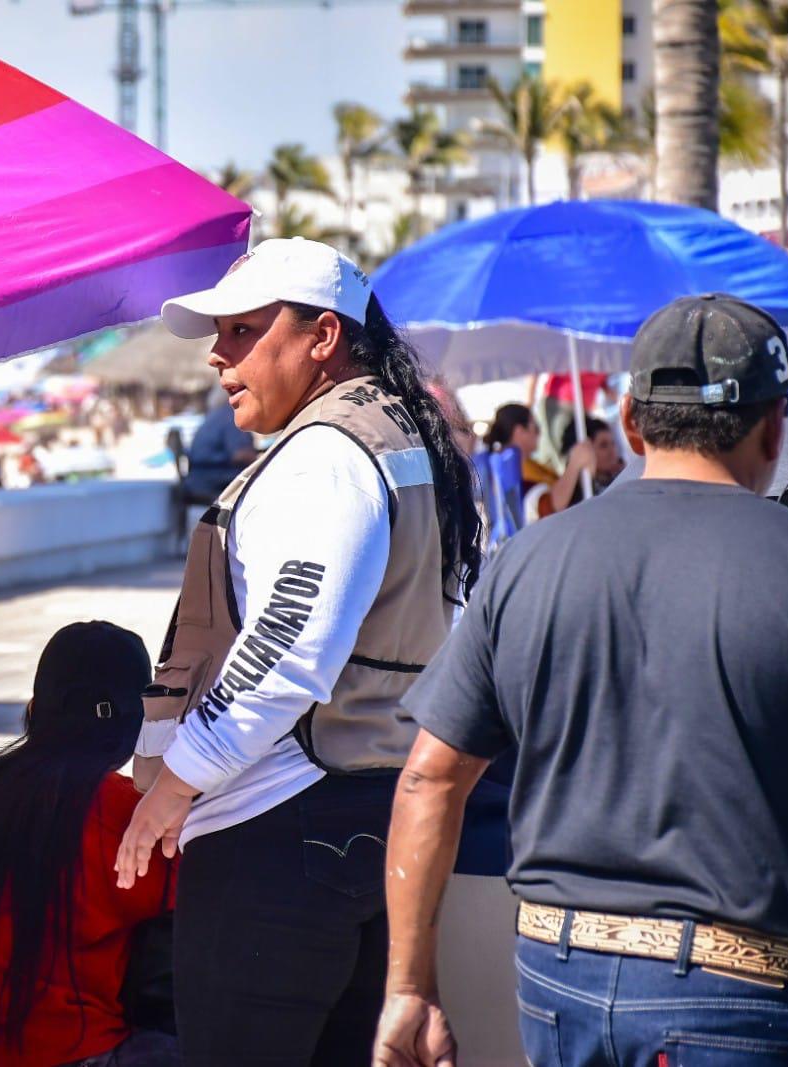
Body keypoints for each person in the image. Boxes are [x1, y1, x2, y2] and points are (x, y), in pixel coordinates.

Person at [374, 294, 788, 1067]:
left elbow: (429, 781)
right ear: (775, 428)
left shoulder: (530, 559)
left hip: (555, 978)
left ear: (633, 422)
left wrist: (409, 987)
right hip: (740, 990)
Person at [115, 238, 483, 1066]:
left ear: (323, 336)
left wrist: (172, 786)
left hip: (278, 835)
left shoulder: (324, 456)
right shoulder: (404, 439)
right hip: (368, 817)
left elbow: (286, 650)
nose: (219, 354)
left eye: (245, 330)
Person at [0, 622, 180, 1067]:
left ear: (34, 710)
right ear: (135, 722)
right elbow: (196, 908)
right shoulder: (122, 808)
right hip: (73, 1052)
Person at [483, 403, 593, 521]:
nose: (539, 434)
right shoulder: (512, 471)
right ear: (519, 431)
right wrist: (574, 465)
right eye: (536, 427)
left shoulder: (509, 465)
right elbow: (548, 507)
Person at [183, 398, 258, 499]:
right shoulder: (232, 416)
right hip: (214, 479)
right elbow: (239, 455)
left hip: (197, 478)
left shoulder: (214, 415)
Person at [558, 416, 625, 491]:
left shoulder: (624, 478)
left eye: (613, 443)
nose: (612, 451)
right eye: (603, 445)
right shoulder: (575, 494)